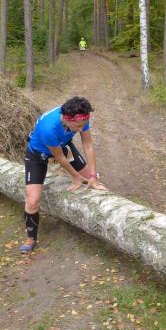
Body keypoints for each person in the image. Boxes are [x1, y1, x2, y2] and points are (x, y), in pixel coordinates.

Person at [22, 96, 106, 253]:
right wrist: (76, 177)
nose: (81, 130)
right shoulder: (49, 127)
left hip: (63, 146)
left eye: (83, 125)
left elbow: (88, 144)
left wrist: (93, 176)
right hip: (38, 154)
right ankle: (31, 238)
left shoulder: (81, 116)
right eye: (78, 126)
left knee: (90, 178)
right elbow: (60, 158)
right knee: (32, 201)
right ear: (68, 119)